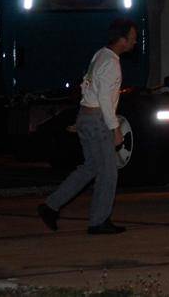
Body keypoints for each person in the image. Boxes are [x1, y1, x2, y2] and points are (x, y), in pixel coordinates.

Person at [37, 18, 138, 235]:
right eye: (132, 37)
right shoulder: (112, 63)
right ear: (122, 39)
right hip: (98, 119)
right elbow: (104, 97)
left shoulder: (100, 55)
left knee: (91, 167)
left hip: (88, 115)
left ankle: (51, 206)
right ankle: (98, 221)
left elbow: (87, 85)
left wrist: (83, 119)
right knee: (108, 173)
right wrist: (115, 128)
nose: (135, 41)